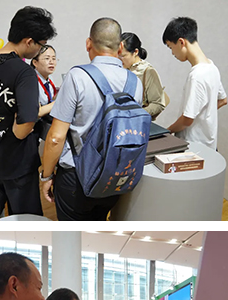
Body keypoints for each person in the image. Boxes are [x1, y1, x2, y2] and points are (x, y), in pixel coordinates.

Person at [40, 18, 143, 221]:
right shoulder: (135, 82)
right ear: (120, 46)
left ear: (88, 43)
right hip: (114, 178)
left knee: (72, 233)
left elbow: (55, 138)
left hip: (76, 178)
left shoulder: (77, 76)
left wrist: (47, 176)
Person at [0, 6, 56, 220]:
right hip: (16, 163)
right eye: (40, 45)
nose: (39, 51)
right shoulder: (24, 72)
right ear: (29, 41)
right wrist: (13, 133)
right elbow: (26, 124)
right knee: (24, 220)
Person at [162, 17, 227, 150]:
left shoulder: (197, 75)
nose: (172, 53)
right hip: (209, 144)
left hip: (194, 146)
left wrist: (167, 131)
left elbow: (187, 120)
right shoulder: (211, 67)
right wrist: (204, 115)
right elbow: (223, 100)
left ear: (181, 42)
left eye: (171, 47)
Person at [118, 32, 167, 121]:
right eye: (117, 56)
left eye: (123, 56)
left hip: (137, 122)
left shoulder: (147, 71)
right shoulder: (118, 68)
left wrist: (137, 113)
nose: (119, 59)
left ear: (135, 52)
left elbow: (158, 104)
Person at [31, 44, 58, 149]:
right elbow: (35, 112)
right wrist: (58, 102)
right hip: (29, 130)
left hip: (41, 128)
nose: (51, 62)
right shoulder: (31, 81)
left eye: (54, 58)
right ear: (35, 62)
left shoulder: (49, 80)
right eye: (47, 58)